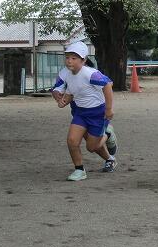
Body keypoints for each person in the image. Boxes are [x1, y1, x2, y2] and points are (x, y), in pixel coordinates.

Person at [51, 41, 118, 181]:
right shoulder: (67, 74)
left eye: (74, 58)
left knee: (91, 147)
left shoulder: (91, 74)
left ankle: (107, 134)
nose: (69, 61)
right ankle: (79, 170)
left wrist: (109, 109)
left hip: (97, 114)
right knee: (72, 140)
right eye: (67, 58)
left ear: (84, 60)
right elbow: (70, 91)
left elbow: (107, 85)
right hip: (80, 113)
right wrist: (63, 101)